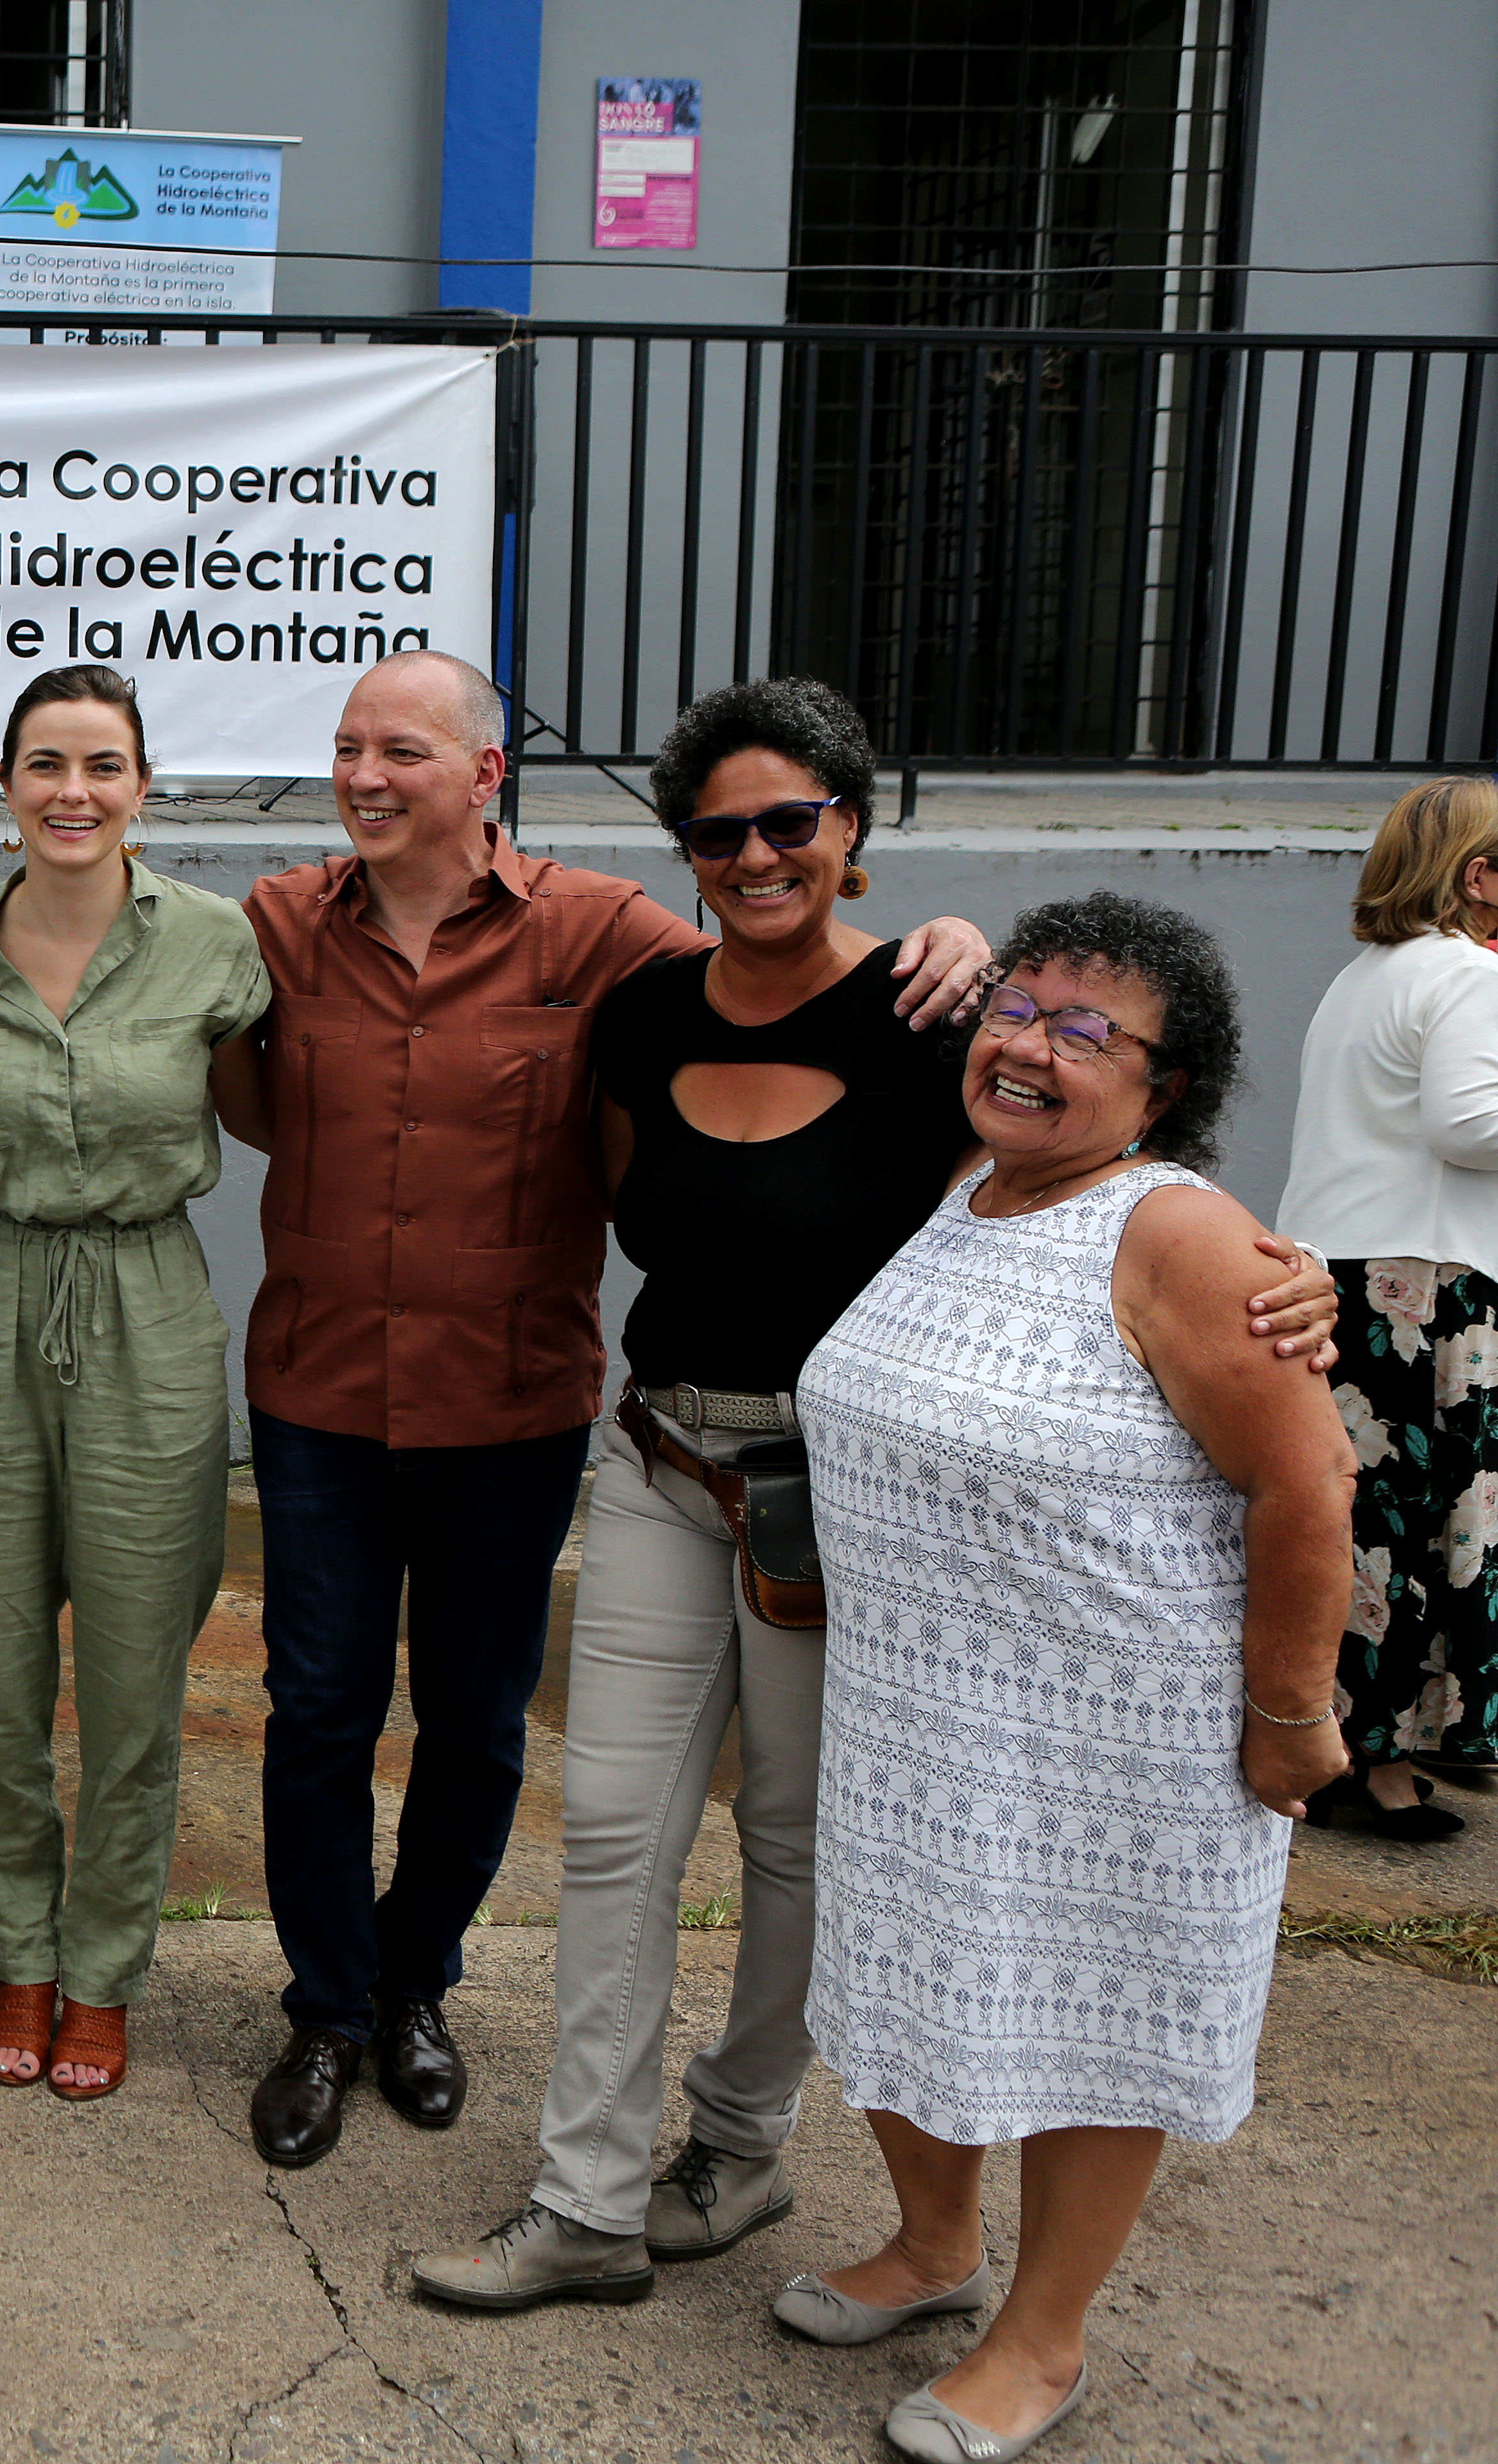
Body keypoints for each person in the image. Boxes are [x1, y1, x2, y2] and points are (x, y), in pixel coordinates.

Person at [0, 650, 990, 2167]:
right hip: (316, 1390)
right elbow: (107, 925)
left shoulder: (603, 933)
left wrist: (939, 941)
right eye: (345, 747)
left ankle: (415, 1981)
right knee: (315, 1715)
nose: (361, 774)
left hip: (506, 1397)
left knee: (474, 1724)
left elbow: (770, 956)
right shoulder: (278, 925)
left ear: (483, 773)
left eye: (399, 750)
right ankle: (324, 2004)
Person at [409, 680, 1339, 2312]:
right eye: (717, 829)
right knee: (615, 1833)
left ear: (850, 832)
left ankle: (741, 2147)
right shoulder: (647, 1011)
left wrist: (1287, 1275)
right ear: (682, 853)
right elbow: (639, 1204)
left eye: (791, 820)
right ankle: (583, 2195)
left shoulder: (940, 1015)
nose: (755, 853)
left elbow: (1089, 1172)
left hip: (843, 1496)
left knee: (795, 1843)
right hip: (658, 1462)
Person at [793, 892, 1352, 2462]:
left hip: (1120, 1739)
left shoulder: (1167, 1229)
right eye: (1013, 1011)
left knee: (1083, 2015)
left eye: (1082, 1028)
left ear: (1162, 1088)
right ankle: (926, 2247)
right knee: (923, 1979)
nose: (1027, 1045)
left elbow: (1302, 1484)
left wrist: (1288, 1711)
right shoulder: (969, 1185)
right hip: (928, 1719)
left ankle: (1038, 2342)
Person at [0, 664, 269, 2103]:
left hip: (147, 1297)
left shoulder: (215, 942)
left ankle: (105, 1968)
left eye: (102, 766)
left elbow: (275, 1117)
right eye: (45, 765)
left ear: (144, 785)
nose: (73, 793)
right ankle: (20, 1953)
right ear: (5, 787)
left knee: (133, 1670)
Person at [1277, 774, 1498, 1842]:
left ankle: (1354, 1745)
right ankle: (1378, 1769)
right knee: (1415, 1533)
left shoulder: (1365, 975)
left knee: (1362, 1524)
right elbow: (1467, 1125)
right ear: (1478, 876)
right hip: (1429, 1288)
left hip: (1353, 1272)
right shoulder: (1465, 974)